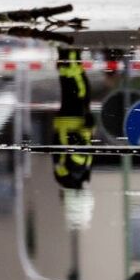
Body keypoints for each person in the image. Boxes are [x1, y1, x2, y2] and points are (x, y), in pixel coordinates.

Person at [52, 48, 94, 190]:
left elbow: (76, 141)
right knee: (69, 86)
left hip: (73, 121)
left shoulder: (78, 169)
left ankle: (71, 54)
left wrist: (89, 128)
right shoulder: (63, 174)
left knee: (79, 88)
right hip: (63, 124)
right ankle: (65, 58)